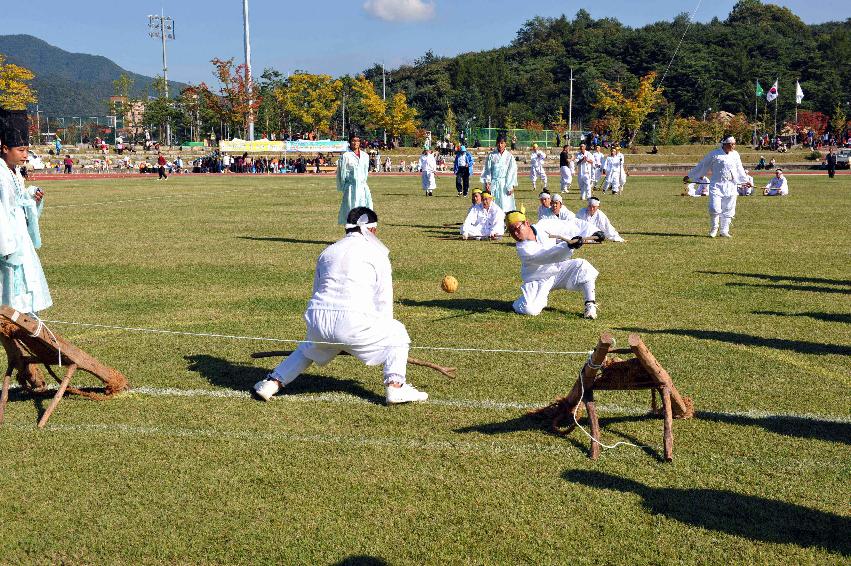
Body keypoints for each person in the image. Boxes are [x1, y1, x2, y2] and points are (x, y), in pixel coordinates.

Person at [254, 207, 428, 404]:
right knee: (397, 331)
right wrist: (367, 339)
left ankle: (271, 382)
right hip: (354, 323)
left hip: (318, 320)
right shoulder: (377, 254)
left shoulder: (328, 251)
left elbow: (316, 291)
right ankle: (396, 387)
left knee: (308, 347)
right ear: (372, 230)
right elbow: (383, 300)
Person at [505, 209, 602, 319]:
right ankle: (517, 303)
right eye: (511, 231)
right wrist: (568, 246)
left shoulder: (545, 225)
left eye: (517, 228)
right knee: (529, 309)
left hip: (558, 270)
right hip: (538, 279)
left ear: (526, 223)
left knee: (582, 266)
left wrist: (594, 232)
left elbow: (570, 225)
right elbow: (547, 256)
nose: (515, 233)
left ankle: (590, 305)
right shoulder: (523, 249)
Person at [0, 109, 52, 314]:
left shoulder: (15, 173)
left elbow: (17, 206)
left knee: (24, 296)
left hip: (20, 240)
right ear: (4, 148)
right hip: (8, 245)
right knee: (10, 295)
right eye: (21, 150)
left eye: (27, 150)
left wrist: (31, 199)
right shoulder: (1, 175)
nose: (25, 155)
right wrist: (7, 248)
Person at [683, 136, 751, 238]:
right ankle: (714, 228)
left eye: (734, 143)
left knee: (728, 208)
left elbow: (739, 169)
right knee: (714, 208)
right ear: (724, 144)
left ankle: (724, 230)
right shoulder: (714, 154)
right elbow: (702, 165)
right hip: (717, 185)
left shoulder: (736, 155)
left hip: (731, 185)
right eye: (731, 144)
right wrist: (690, 176)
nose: (733, 146)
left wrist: (745, 181)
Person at [336, 134, 372, 224]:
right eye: (353, 140)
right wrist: (344, 187)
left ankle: (362, 232)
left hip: (363, 187)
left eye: (357, 141)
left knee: (364, 209)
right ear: (349, 142)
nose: (355, 143)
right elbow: (342, 173)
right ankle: (350, 233)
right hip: (351, 187)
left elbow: (365, 172)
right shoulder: (345, 156)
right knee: (350, 208)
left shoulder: (365, 156)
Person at [481, 133, 517, 212]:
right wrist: (487, 182)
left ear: (505, 144)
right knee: (493, 205)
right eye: (498, 143)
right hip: (494, 183)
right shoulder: (491, 156)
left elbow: (512, 172)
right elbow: (487, 170)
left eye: (502, 143)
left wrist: (511, 186)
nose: (500, 145)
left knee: (505, 204)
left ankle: (505, 221)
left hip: (505, 184)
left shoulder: (509, 156)